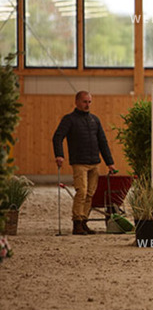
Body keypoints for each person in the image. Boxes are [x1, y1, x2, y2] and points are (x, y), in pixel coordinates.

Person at [53, 91, 116, 235]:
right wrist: (59, 155)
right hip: (79, 163)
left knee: (90, 194)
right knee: (81, 192)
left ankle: (83, 221)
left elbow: (103, 142)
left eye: (89, 102)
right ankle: (76, 223)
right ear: (76, 102)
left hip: (95, 163)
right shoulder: (69, 119)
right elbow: (57, 137)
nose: (87, 105)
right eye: (84, 102)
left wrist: (110, 162)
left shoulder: (95, 120)